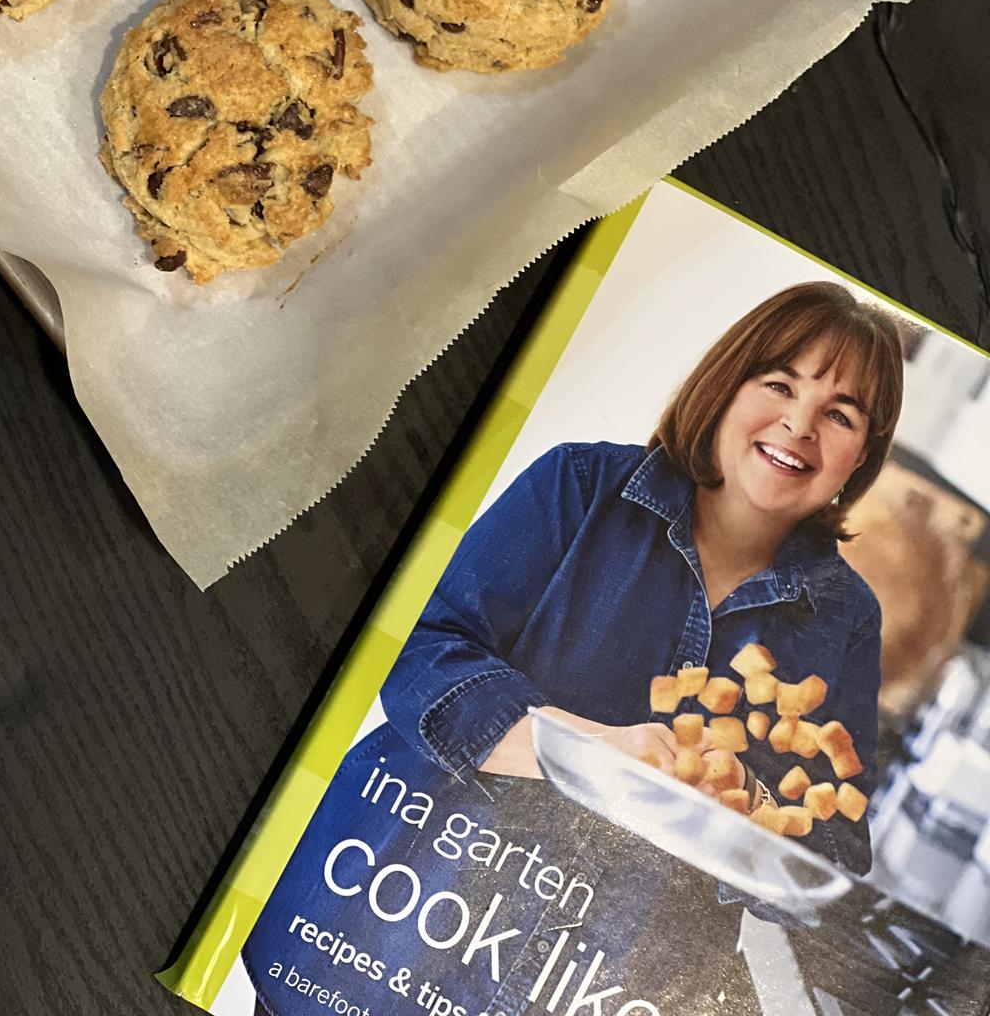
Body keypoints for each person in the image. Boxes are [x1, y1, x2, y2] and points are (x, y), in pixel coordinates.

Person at [242, 282, 904, 1014]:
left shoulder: (845, 616)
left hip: (594, 983)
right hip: (387, 932)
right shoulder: (580, 485)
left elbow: (837, 852)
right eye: (778, 383)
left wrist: (743, 807)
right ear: (725, 384)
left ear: (861, 457)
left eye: (840, 415)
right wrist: (594, 754)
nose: (799, 424)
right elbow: (415, 656)